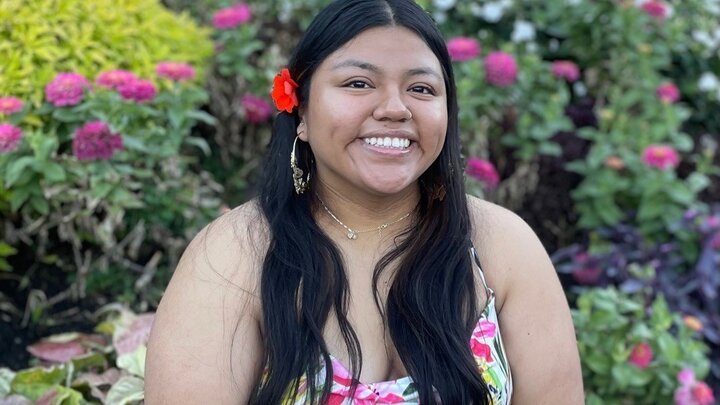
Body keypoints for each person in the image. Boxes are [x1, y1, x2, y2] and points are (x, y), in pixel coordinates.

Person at [145, 0, 584, 403]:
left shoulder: (502, 248)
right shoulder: (234, 255)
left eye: (422, 89)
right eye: (358, 83)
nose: (395, 108)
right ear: (300, 111)